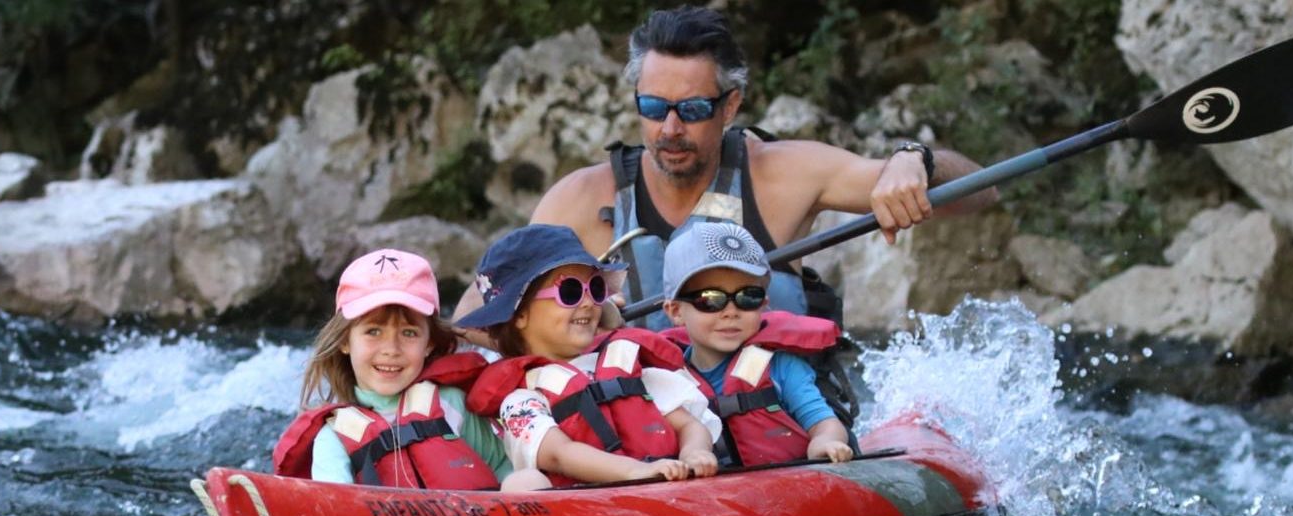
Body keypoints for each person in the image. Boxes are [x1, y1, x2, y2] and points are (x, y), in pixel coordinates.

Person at [452, 4, 1000, 338]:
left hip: (780, 432)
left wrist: (914, 160)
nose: (669, 128)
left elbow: (982, 194)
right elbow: (475, 318)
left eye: (691, 111)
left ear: (730, 106)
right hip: (643, 451)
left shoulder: (783, 174)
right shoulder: (576, 202)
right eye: (652, 108)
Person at [457, 224, 721, 490]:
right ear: (520, 316)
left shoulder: (626, 366)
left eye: (595, 289)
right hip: (584, 510)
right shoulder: (522, 400)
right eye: (570, 292)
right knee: (521, 484)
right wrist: (637, 471)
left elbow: (689, 424)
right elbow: (560, 454)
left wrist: (694, 453)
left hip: (665, 485)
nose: (588, 303)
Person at [272, 248, 511, 490]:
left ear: (429, 343)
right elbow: (333, 510)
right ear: (345, 341)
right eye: (373, 331)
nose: (391, 349)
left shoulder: (453, 405)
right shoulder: (333, 440)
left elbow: (505, 471)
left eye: (409, 333)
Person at [661, 222, 854, 467]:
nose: (730, 312)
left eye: (747, 297)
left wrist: (824, 443)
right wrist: (693, 454)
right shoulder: (669, 377)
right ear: (676, 311)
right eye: (710, 299)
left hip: (788, 484)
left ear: (764, 304)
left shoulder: (781, 367)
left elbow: (824, 422)